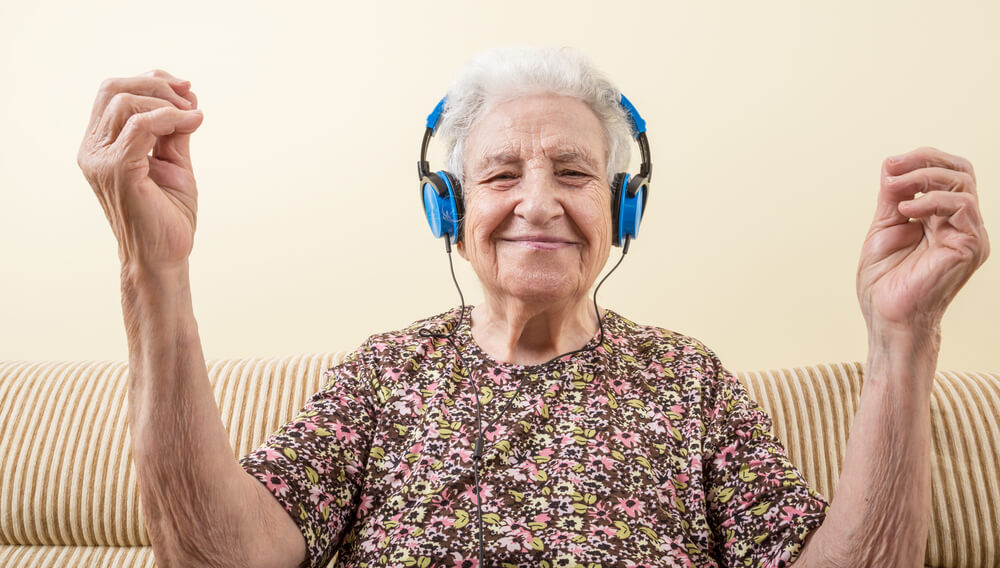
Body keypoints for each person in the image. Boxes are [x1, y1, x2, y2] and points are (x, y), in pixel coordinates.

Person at [77, 47, 989, 568]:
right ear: (451, 209)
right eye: (502, 174)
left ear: (622, 209)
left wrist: (903, 336)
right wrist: (151, 271)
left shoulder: (688, 381)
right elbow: (219, 560)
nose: (540, 202)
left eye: (577, 173)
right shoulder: (385, 374)